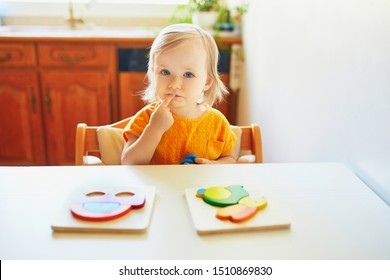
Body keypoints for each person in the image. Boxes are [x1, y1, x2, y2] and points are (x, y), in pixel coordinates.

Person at [121, 23, 237, 165]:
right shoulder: (148, 118)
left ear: (206, 82)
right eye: (165, 72)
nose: (174, 84)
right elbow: (128, 163)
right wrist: (154, 129)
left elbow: (230, 157)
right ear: (153, 75)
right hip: (159, 187)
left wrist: (214, 165)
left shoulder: (217, 122)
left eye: (188, 74)